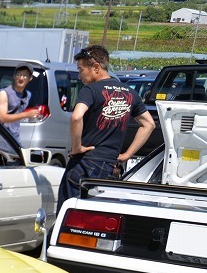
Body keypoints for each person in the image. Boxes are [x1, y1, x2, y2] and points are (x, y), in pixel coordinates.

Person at [58, 44, 154, 204]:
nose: (80, 76)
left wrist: (77, 148)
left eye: (81, 70)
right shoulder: (130, 92)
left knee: (69, 214)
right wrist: (127, 155)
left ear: (95, 67)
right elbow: (149, 124)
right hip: (110, 168)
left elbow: (76, 117)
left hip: (85, 164)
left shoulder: (90, 90)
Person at [0, 65, 37, 142]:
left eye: (25, 75)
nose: (21, 78)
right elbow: (2, 118)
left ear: (30, 78)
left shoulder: (28, 95)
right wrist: (26, 115)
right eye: (19, 74)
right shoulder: (4, 93)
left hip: (15, 141)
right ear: (14, 76)